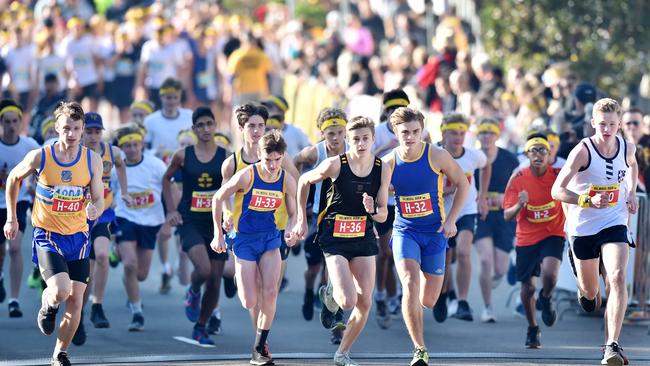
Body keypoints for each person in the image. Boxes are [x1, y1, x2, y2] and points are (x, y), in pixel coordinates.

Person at [3, 101, 104, 366]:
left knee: (76, 299)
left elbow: (99, 197)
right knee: (61, 291)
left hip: (79, 236)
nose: (71, 134)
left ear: (83, 130)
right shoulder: (42, 156)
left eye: (76, 129)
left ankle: (59, 353)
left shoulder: (92, 160)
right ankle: (48, 305)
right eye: (66, 128)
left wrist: (95, 208)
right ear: (56, 129)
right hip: (47, 234)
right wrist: (12, 218)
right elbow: (14, 178)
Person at [295, 116, 392, 366]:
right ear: (348, 139)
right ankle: (329, 293)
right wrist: (301, 220)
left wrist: (373, 210)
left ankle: (343, 353)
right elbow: (305, 180)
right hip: (334, 236)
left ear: (373, 139)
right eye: (356, 139)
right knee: (347, 300)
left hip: (362, 236)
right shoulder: (335, 164)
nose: (361, 143)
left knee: (365, 301)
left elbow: (382, 212)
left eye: (366, 138)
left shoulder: (383, 167)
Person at [552, 98, 637, 366]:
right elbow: (556, 191)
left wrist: (632, 192)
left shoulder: (627, 147)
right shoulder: (583, 151)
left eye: (612, 124)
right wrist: (586, 200)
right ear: (592, 124)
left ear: (619, 124)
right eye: (602, 124)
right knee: (591, 297)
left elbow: (632, 166)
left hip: (614, 222)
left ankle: (611, 345)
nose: (607, 129)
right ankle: (585, 287)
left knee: (617, 276)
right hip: (584, 226)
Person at [384, 107, 469, 366]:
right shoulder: (388, 162)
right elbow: (377, 195)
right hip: (404, 231)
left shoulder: (437, 155)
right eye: (404, 133)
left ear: (422, 131)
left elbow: (463, 184)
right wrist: (373, 203)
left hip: (434, 234)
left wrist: (452, 219)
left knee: (428, 300)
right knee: (409, 282)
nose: (410, 137)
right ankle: (419, 349)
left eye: (415, 132)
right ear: (396, 132)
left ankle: (432, 289)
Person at [212, 130, 298, 366]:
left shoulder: (285, 179)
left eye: (277, 160)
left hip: (270, 238)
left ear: (283, 157)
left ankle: (259, 347)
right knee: (249, 301)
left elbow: (294, 211)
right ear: (259, 155)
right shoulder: (247, 176)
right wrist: (218, 233)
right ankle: (236, 281)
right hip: (244, 240)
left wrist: (294, 226)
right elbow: (218, 198)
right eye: (268, 160)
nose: (272, 165)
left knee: (270, 291)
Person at [164, 107, 228, 344]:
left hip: (216, 223)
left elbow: (234, 187)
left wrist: (231, 215)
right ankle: (192, 292)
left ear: (215, 126)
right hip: (189, 220)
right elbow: (165, 178)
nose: (205, 129)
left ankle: (201, 326)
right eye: (200, 125)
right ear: (193, 129)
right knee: (203, 270)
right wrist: (171, 209)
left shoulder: (226, 155)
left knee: (214, 280)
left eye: (209, 124)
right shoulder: (182, 155)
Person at [371, 89, 431, 327]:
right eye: (390, 109)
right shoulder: (376, 133)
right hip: (385, 199)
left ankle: (399, 296)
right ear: (384, 111)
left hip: (411, 200)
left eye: (400, 108)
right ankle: (381, 294)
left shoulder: (419, 131)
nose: (394, 113)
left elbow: (431, 156)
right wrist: (384, 147)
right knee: (385, 251)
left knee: (407, 254)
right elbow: (363, 161)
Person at [503, 134, 565, 348]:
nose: (538, 155)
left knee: (550, 272)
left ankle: (546, 298)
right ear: (527, 155)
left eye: (543, 151)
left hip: (552, 232)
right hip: (527, 237)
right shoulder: (518, 177)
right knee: (528, 288)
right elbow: (507, 215)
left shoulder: (558, 175)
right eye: (533, 151)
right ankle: (532, 328)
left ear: (550, 155)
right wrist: (520, 205)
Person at [294, 107, 347, 343]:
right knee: (314, 269)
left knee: (334, 270)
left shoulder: (355, 149)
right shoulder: (315, 153)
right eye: (330, 134)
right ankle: (308, 293)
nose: (335, 138)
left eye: (339, 132)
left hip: (345, 218)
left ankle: (336, 324)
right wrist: (297, 199)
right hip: (319, 217)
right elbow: (296, 162)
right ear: (322, 133)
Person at [76, 112, 129, 341]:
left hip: (103, 213)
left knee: (102, 256)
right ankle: (77, 313)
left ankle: (97, 305)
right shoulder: (74, 152)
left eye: (98, 131)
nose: (93, 135)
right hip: (76, 216)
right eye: (89, 131)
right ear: (81, 131)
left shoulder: (111, 152)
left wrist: (123, 192)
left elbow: (121, 165)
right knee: (82, 271)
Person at [434, 112, 489, 322]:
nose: (458, 138)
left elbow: (486, 165)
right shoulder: (435, 154)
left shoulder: (473, 155)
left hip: (466, 210)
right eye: (453, 133)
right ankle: (442, 295)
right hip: (442, 212)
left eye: (461, 133)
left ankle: (463, 302)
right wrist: (443, 191)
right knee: (446, 258)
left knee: (464, 252)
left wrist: (482, 195)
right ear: (443, 133)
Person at [113, 125, 167, 332]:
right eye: (127, 146)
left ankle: (129, 279)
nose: (133, 149)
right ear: (121, 148)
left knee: (141, 274)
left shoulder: (155, 165)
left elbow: (169, 187)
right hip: (125, 218)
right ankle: (137, 312)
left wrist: (170, 214)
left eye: (136, 145)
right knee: (129, 264)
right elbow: (109, 194)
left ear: (142, 144)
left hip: (151, 221)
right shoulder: (116, 169)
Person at [143, 77, 193, 294]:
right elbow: (145, 150)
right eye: (167, 97)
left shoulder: (189, 117)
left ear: (179, 97)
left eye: (174, 97)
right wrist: (157, 153)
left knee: (180, 223)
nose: (171, 101)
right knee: (164, 230)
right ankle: (165, 267)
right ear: (161, 97)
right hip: (161, 178)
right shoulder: (151, 121)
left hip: (186, 178)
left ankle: (182, 263)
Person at [474, 117, 519, 322]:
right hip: (481, 216)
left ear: (497, 135)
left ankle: (503, 270)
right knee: (485, 261)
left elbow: (520, 184)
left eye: (491, 133)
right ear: (478, 135)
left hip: (504, 217)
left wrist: (507, 198)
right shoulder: (472, 158)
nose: (487, 137)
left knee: (499, 269)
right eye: (483, 132)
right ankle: (487, 307)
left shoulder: (509, 159)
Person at [0, 100, 39, 317]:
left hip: (19, 200)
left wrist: (35, 188)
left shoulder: (29, 145)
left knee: (14, 248)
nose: (12, 126)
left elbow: (43, 168)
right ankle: (0, 278)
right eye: (7, 122)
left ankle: (14, 299)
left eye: (15, 121)